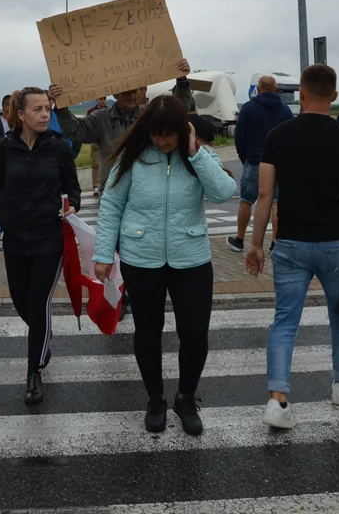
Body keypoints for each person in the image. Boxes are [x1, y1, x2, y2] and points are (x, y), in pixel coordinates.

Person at [93, 96, 237, 435]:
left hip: (191, 258)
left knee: (195, 333)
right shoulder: (134, 159)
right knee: (147, 330)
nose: (161, 141)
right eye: (155, 134)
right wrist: (102, 255)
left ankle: (186, 396)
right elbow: (111, 205)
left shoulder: (198, 156)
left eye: (168, 134)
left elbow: (223, 192)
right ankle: (155, 398)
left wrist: (195, 153)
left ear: (180, 129)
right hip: (141, 258)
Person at [244, 65, 339, 430]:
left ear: (301, 93)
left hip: (289, 243)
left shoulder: (277, 137)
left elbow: (265, 195)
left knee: (285, 321)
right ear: (334, 96)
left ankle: (278, 400)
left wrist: (255, 244)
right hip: (335, 243)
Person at [0, 87, 81, 406]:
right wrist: (1, 211)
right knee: (21, 300)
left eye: (47, 108)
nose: (44, 114)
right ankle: (42, 338)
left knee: (39, 304)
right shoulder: (5, 146)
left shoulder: (58, 147)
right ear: (20, 114)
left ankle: (33, 372)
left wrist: (70, 206)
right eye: (37, 109)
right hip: (15, 238)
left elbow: (74, 190)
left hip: (48, 239)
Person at [50, 60, 191, 191]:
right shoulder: (100, 118)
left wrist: (182, 81)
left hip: (147, 189)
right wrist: (61, 106)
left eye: (134, 91)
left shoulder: (149, 114)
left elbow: (178, 114)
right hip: (113, 188)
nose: (131, 96)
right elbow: (74, 130)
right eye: (126, 92)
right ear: (115, 94)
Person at [228, 76, 292, 253]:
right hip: (279, 165)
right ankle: (275, 242)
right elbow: (289, 138)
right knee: (276, 203)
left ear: (258, 88)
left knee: (246, 201)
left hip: (254, 161)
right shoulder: (285, 111)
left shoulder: (248, 108)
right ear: (275, 89)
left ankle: (239, 240)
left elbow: (239, 137)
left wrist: (245, 158)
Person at [86, 97, 109, 195]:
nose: (103, 101)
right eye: (101, 99)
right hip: (95, 140)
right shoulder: (91, 111)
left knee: (108, 163)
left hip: (107, 139)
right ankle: (96, 186)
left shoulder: (109, 110)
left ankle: (107, 185)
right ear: (96, 100)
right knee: (95, 164)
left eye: (104, 99)